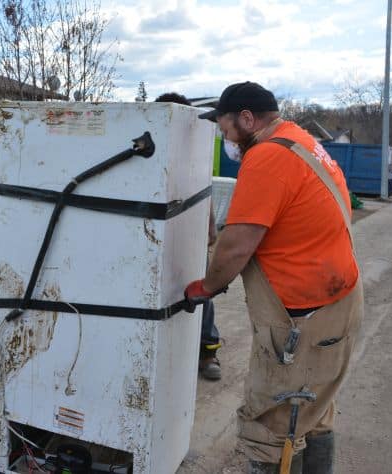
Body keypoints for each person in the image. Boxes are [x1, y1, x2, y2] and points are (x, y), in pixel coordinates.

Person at [187, 82, 363, 473]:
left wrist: (205, 287)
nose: (226, 138)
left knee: (270, 422)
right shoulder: (300, 141)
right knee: (314, 410)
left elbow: (237, 244)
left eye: (225, 128)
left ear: (247, 118)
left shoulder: (266, 156)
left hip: (303, 318)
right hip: (339, 301)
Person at [155, 92, 222, 381]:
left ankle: (208, 352)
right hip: (159, 236)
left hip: (189, 235)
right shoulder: (152, 145)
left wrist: (210, 226)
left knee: (201, 291)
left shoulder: (196, 146)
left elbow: (203, 189)